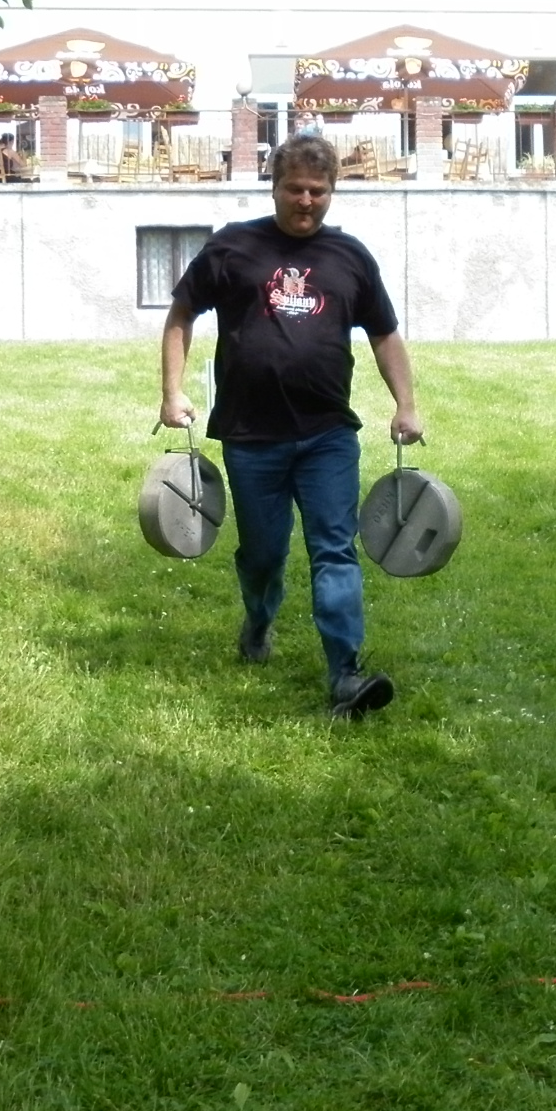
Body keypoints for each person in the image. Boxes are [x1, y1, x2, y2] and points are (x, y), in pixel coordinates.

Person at [158, 132, 423, 719]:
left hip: (328, 435)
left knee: (335, 549)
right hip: (252, 437)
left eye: (318, 191)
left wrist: (405, 404)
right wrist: (171, 393)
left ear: (332, 192)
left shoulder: (350, 257)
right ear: (274, 186)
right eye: (295, 189)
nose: (306, 200)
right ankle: (258, 621)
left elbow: (384, 334)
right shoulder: (233, 247)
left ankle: (345, 675)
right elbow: (182, 314)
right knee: (264, 555)